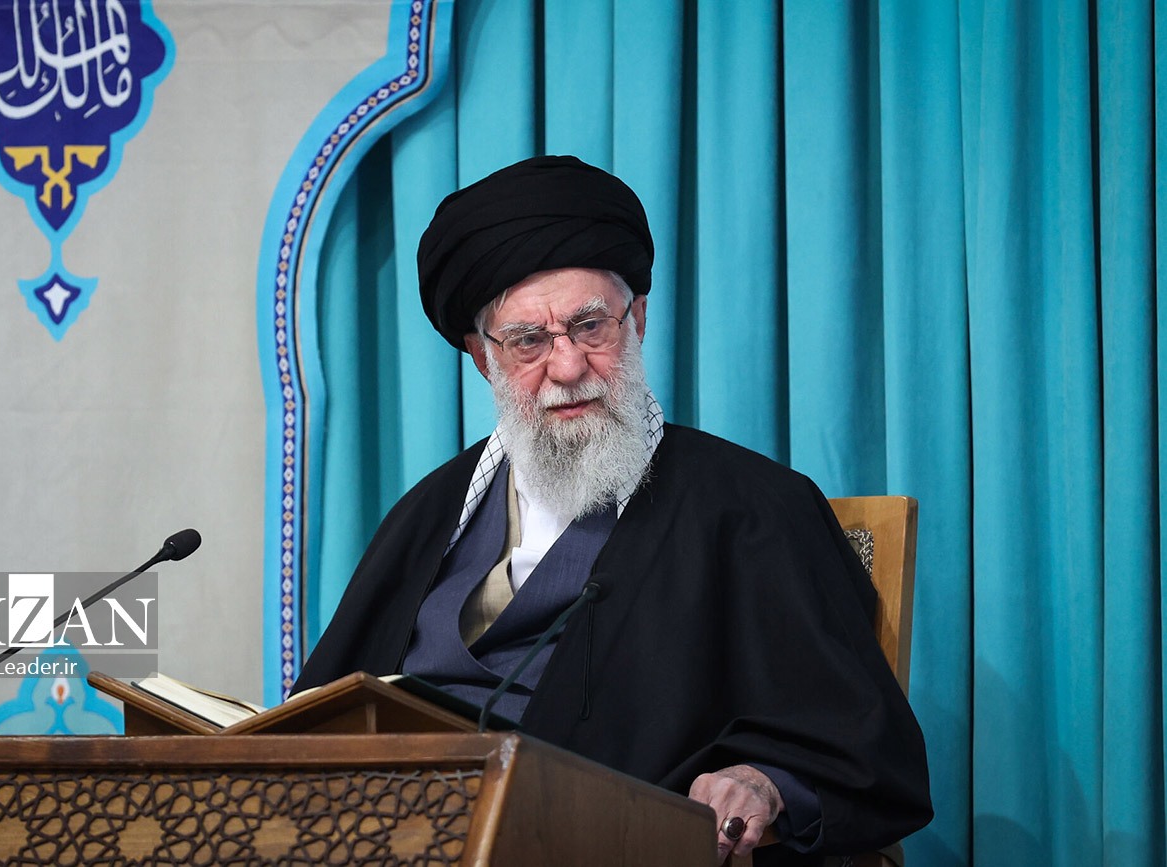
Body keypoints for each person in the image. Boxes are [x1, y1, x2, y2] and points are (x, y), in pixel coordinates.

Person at [292, 155, 932, 864]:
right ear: (481, 356)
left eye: (590, 326)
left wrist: (762, 782)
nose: (568, 367)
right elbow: (320, 718)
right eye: (529, 341)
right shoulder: (430, 512)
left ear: (639, 320)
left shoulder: (754, 507)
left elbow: (859, 749)